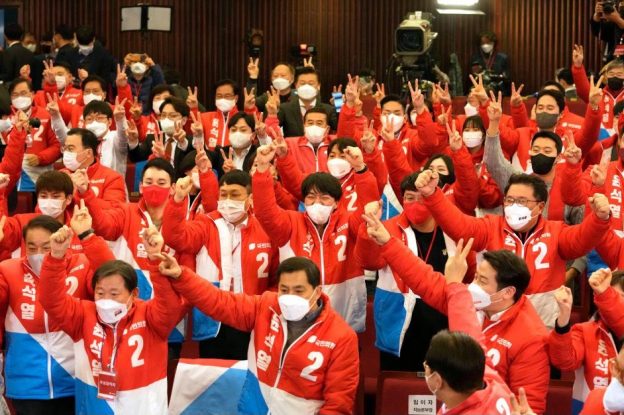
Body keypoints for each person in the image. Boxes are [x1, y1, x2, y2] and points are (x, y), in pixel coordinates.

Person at [162, 254, 359, 414]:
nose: (290, 297)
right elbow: (219, 301)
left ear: (317, 291)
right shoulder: (266, 306)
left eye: (299, 290)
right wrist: (181, 276)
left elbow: (338, 404)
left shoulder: (341, 337)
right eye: (284, 290)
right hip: (253, 409)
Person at [415, 169, 612, 328]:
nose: (513, 206)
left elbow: (582, 239)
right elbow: (459, 225)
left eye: (522, 201)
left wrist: (600, 218)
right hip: (495, 325)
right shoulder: (490, 227)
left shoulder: (556, 231)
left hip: (543, 326)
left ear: (540, 206)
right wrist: (432, 195)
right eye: (509, 200)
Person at [363, 220, 516, 414]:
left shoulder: (528, 336)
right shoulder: (485, 371)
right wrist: (388, 242)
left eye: (482, 280)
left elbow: (529, 400)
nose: (474, 285)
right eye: (475, 277)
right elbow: (423, 278)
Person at [38, 225, 184, 414]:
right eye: (100, 292)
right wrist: (56, 257)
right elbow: (51, 300)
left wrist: (155, 260)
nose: (106, 299)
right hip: (94, 407)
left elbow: (170, 305)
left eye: (114, 294)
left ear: (134, 294)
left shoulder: (150, 315)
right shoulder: (83, 315)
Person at [354, 172, 475, 372]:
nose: (416, 203)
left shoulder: (453, 229)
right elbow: (368, 262)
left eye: (422, 197)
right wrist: (368, 230)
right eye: (410, 198)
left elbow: (469, 274)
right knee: (398, 385)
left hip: (444, 321)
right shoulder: (388, 228)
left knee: (444, 379)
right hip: (399, 324)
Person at [252, 144, 379, 331]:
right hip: (299, 314)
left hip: (345, 313)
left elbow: (369, 208)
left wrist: (360, 168)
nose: (317, 202)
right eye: (311, 197)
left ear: (337, 202)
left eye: (324, 197)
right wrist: (262, 169)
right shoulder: (290, 223)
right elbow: (265, 212)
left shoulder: (349, 222)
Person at [0, 209, 112, 415]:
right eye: (31, 247)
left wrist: (87, 235)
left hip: (76, 379)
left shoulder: (81, 264)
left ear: (62, 242)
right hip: (27, 385)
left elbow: (111, 279)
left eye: (46, 247)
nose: (38, 253)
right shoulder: (7, 270)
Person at [162, 170, 277, 359]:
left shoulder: (265, 228)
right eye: (224, 195)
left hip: (251, 315)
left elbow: (275, 278)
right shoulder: (206, 223)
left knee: (246, 372)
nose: (228, 200)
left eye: (235, 194)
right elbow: (175, 237)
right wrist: (177, 200)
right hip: (214, 317)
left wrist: (266, 309)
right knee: (213, 372)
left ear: (250, 198)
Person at [549, 269, 624, 413]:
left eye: (620, 297)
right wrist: (563, 319)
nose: (615, 301)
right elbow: (564, 362)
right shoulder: (585, 331)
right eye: (610, 295)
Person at [0, 170, 82, 261]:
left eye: (55, 196)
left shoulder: (79, 227)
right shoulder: (22, 222)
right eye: (43, 196)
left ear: (68, 199)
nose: (49, 201)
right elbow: (4, 232)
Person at [8, 78, 61, 191]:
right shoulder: (5, 119)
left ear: (32, 94)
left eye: (23, 93)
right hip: (9, 178)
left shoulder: (46, 115)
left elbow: (57, 146)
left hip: (39, 177)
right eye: (15, 95)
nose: (19, 97)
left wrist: (40, 158)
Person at [61, 127, 127, 206]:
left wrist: (85, 193)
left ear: (88, 153)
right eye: (65, 148)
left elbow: (114, 210)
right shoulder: (60, 175)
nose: (66, 153)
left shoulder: (112, 178)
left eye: (70, 149)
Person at [127, 97, 193, 171]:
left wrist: (182, 143)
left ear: (184, 120)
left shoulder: (191, 142)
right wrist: (133, 141)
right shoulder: (153, 139)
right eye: (163, 115)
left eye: (173, 116)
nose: (167, 119)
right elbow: (136, 157)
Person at [270, 67, 338, 137]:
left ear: (318, 86)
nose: (306, 87)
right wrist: (272, 113)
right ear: (296, 86)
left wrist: (339, 105)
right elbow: (271, 133)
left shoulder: (328, 110)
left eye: (311, 83)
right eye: (302, 83)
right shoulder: (285, 108)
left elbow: (340, 129)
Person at [572, 45, 623, 132]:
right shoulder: (597, 95)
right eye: (611, 74)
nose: (615, 76)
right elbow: (583, 90)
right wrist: (578, 67)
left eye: (619, 74)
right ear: (606, 76)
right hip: (600, 138)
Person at [196, 79, 257, 150]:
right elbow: (195, 141)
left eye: (227, 96)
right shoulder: (204, 117)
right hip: (210, 156)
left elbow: (256, 136)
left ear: (236, 98)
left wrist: (250, 110)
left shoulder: (242, 117)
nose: (223, 99)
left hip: (236, 156)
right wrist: (193, 108)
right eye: (219, 96)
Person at [469, 31, 510, 95]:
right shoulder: (475, 58)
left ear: (493, 43)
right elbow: (470, 79)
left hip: (497, 92)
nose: (485, 45)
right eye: (483, 43)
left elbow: (506, 79)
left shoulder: (502, 58)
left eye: (488, 43)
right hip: (479, 92)